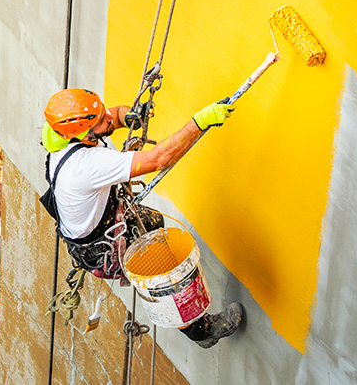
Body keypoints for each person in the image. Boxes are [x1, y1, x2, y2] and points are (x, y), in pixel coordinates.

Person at [41, 88, 245, 349]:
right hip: (102, 247)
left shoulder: (59, 135)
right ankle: (199, 330)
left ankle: (192, 320)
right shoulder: (88, 164)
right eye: (100, 122)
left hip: (92, 229)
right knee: (156, 262)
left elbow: (111, 116)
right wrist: (200, 122)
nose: (108, 119)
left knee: (154, 223)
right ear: (86, 134)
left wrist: (128, 116)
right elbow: (160, 159)